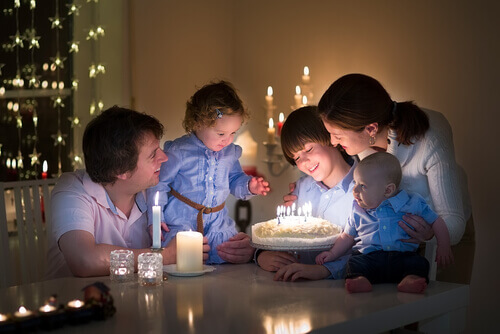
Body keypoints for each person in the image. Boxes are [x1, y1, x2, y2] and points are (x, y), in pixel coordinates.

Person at [316, 73, 473, 284]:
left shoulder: (431, 134)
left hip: (447, 234)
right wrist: (309, 187)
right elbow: (340, 174)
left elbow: (453, 220)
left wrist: (429, 235)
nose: (333, 142)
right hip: (388, 243)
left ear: (371, 128)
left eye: (338, 135)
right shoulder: (357, 144)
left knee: (436, 308)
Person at [46, 106, 210, 279]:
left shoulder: (156, 192)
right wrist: (165, 256)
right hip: (77, 301)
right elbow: (85, 261)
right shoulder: (72, 190)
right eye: (153, 155)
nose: (165, 157)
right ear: (121, 170)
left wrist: (233, 248)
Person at [147, 80, 270, 264]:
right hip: (183, 222)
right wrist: (155, 219)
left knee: (229, 259)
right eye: (221, 134)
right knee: (184, 265)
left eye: (233, 133)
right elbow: (159, 184)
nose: (227, 140)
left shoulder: (229, 153)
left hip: (217, 224)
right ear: (197, 123)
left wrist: (249, 186)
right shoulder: (179, 151)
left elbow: (235, 179)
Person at [316, 152, 453, 293]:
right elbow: (347, 236)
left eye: (362, 186)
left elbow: (436, 221)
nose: (355, 190)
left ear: (388, 190)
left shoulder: (412, 202)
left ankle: (409, 280)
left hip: (403, 257)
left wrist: (443, 245)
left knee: (419, 263)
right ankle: (361, 280)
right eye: (355, 183)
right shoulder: (357, 210)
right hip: (369, 258)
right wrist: (332, 254)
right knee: (354, 263)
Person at [256, 106, 356, 281]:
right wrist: (262, 255)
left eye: (308, 150)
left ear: (331, 138)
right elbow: (288, 240)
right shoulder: (301, 190)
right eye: (296, 158)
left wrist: (326, 270)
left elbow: (372, 253)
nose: (304, 162)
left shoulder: (364, 188)